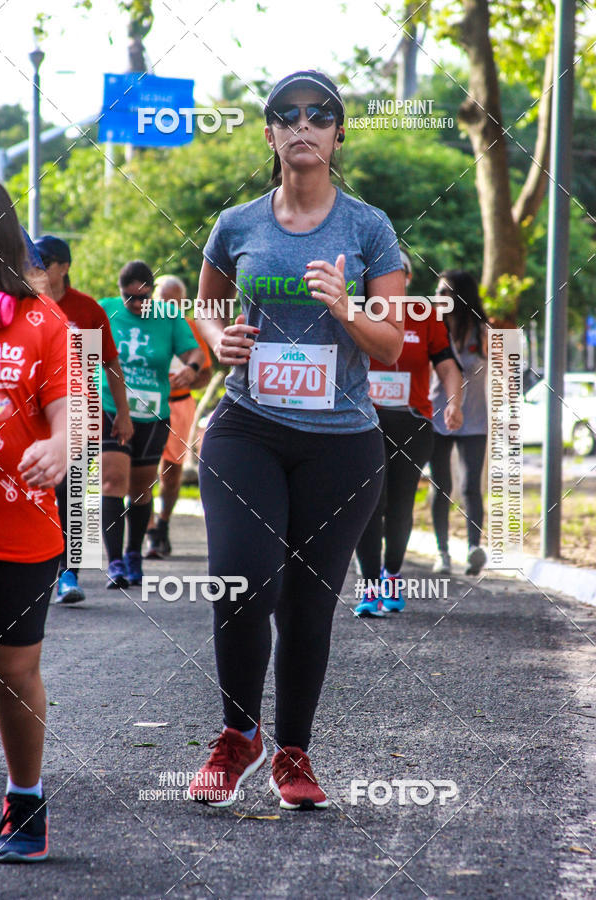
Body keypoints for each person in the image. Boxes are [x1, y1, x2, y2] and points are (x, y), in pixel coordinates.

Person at [189, 70, 405, 811]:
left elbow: (393, 346)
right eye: (287, 115)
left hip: (342, 444)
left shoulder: (369, 228)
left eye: (320, 114)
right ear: (271, 133)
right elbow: (205, 305)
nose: (303, 124)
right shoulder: (238, 223)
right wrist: (220, 341)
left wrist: (348, 310)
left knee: (309, 603)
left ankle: (293, 752)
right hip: (247, 428)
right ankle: (237, 732)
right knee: (244, 580)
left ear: (339, 133)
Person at [0, 182, 68, 861]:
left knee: (12, 671)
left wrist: (60, 445)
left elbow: (67, 408)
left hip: (18, 527)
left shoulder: (42, 321)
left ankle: (25, 800)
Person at [354, 250, 463, 617]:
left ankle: (393, 576)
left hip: (412, 422)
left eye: (399, 272)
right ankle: (369, 587)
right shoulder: (356, 309)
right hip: (362, 423)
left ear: (409, 278)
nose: (391, 278)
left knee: (399, 504)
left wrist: (454, 402)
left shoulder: (426, 315)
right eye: (383, 272)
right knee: (369, 503)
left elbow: (447, 365)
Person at [34, 235, 134, 603]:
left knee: (74, 496)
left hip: (80, 415)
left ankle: (69, 574)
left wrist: (122, 413)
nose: (38, 266)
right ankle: (38, 568)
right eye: (34, 260)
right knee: (39, 495)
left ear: (65, 267)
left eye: (45, 260)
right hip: (33, 419)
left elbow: (109, 364)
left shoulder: (86, 310)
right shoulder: (26, 305)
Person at [99, 260, 201, 588]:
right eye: (130, 298)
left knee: (141, 489)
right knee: (112, 481)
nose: (138, 305)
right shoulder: (106, 311)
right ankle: (114, 560)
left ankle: (133, 554)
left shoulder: (169, 317)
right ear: (120, 293)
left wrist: (192, 369)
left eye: (144, 297)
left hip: (153, 414)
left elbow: (194, 353)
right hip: (112, 409)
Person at [145, 275, 212, 559]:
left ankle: (163, 524)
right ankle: (148, 531)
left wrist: (190, 379)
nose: (170, 306)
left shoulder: (191, 330)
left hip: (179, 405)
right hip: (145, 405)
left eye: (176, 302)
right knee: (142, 471)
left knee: (170, 474)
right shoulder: (141, 325)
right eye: (164, 300)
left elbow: (205, 374)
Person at [429, 269, 489, 576]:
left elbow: (505, 372)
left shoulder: (483, 332)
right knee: (441, 486)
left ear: (460, 297)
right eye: (437, 292)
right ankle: (442, 553)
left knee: (470, 486)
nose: (438, 298)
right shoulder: (430, 328)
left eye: (445, 292)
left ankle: (473, 550)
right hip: (437, 417)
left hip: (476, 419)